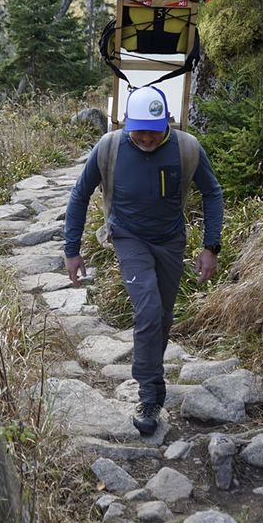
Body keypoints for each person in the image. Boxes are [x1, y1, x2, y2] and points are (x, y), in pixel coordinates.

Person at [64, 86, 224, 435]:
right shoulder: (109, 148)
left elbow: (211, 192)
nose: (147, 138)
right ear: (125, 123)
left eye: (153, 130)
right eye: (139, 130)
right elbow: (80, 194)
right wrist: (71, 249)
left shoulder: (186, 148)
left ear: (166, 122)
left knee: (163, 315)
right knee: (149, 310)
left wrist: (211, 246)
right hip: (128, 238)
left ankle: (153, 377)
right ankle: (149, 395)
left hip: (170, 240)